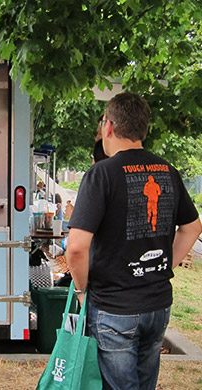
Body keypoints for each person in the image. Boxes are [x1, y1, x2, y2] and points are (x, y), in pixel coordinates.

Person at [66, 92, 202, 390]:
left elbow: (75, 247)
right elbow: (192, 227)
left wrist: (80, 289)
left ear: (109, 126)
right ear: (144, 128)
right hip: (158, 304)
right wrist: (166, 264)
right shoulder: (168, 171)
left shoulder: (101, 174)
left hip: (114, 307)